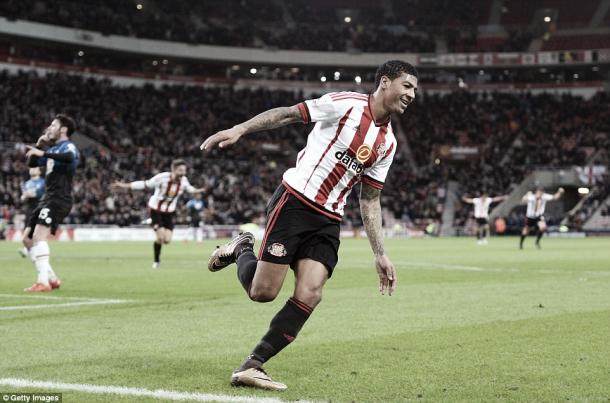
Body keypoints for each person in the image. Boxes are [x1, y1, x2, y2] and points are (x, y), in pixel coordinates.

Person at [201, 60, 417, 391]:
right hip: (295, 203)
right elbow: (288, 114)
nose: (412, 94)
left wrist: (380, 253)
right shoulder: (345, 105)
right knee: (263, 293)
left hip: (329, 219)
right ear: (385, 83)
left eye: (414, 89)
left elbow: (370, 199)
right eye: (407, 86)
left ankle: (252, 365)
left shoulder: (388, 144)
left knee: (311, 292)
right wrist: (241, 129)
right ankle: (241, 247)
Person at [111, 159, 205, 268]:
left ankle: (151, 222)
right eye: (180, 170)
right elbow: (144, 184)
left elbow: (189, 188)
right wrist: (124, 186)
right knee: (160, 238)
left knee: (167, 240)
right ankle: (156, 261)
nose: (183, 173)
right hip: (156, 210)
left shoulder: (184, 180)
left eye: (184, 170)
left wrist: (196, 191)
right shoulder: (162, 178)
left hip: (169, 212)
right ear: (173, 170)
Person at [23, 114, 80, 292]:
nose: (49, 127)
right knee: (27, 239)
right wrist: (40, 144)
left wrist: (43, 152)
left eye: (53, 125)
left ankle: (43, 282)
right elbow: (31, 162)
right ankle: (52, 279)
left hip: (59, 198)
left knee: (39, 236)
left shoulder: (67, 146)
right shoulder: (53, 149)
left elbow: (70, 157)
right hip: (47, 198)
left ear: (63, 129)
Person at [18, 167, 45, 258]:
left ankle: (35, 250)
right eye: (31, 169)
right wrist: (23, 197)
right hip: (29, 208)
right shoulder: (27, 183)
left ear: (39, 171)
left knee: (38, 230)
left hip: (40, 208)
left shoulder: (42, 182)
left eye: (35, 168)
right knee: (27, 229)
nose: (32, 170)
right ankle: (27, 249)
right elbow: (23, 197)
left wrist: (29, 194)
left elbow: (38, 194)